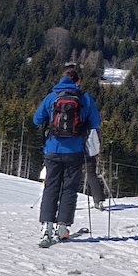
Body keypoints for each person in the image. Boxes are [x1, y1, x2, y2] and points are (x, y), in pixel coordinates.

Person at [32, 66, 102, 245]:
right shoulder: (84, 98)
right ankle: (62, 228)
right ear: (77, 81)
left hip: (53, 150)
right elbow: (95, 122)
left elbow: (37, 119)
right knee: (69, 189)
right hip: (75, 151)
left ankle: (46, 226)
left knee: (51, 187)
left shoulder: (52, 97)